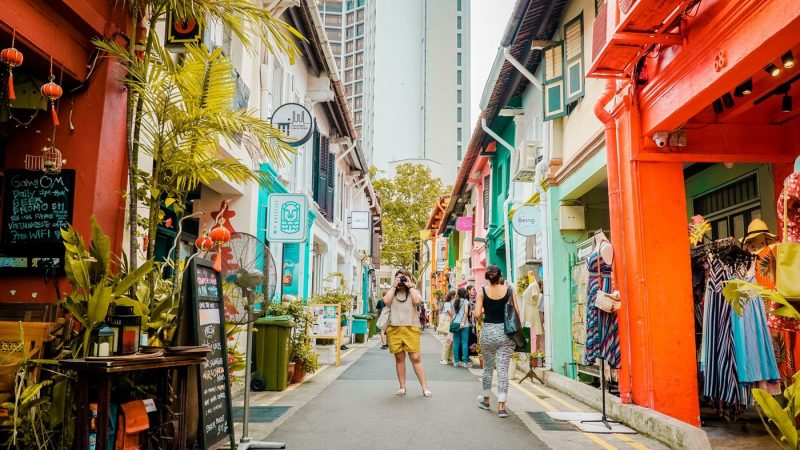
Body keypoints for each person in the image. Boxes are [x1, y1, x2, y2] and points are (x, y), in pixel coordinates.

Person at [473, 265, 518, 418]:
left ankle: (486, 400)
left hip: (488, 333)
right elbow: (517, 313)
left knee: (487, 368)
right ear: (500, 276)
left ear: (487, 277)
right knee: (503, 370)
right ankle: (501, 406)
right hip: (505, 334)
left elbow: (477, 314)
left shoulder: (481, 292)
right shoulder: (510, 291)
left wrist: (482, 309)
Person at [383, 269, 432, 397]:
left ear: (409, 279)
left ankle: (425, 387)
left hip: (411, 328)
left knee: (416, 358)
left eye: (403, 278)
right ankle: (402, 387)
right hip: (394, 328)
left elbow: (416, 301)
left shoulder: (413, 292)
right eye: (398, 278)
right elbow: (386, 301)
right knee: (399, 358)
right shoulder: (392, 292)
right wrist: (394, 285)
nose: (401, 280)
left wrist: (410, 286)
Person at [451, 287, 471, 367]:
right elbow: (466, 313)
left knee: (456, 342)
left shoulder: (454, 301)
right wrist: (463, 322)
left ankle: (456, 361)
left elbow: (453, 313)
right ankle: (465, 362)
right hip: (464, 324)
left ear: (458, 293)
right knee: (464, 343)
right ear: (465, 293)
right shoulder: (466, 301)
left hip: (455, 323)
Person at [438, 291, 455, 365]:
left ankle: (449, 358)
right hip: (447, 324)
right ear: (452, 296)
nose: (455, 297)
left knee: (450, 341)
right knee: (447, 341)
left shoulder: (450, 303)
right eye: (454, 295)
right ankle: (444, 358)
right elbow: (450, 312)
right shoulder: (448, 304)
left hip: (449, 324)